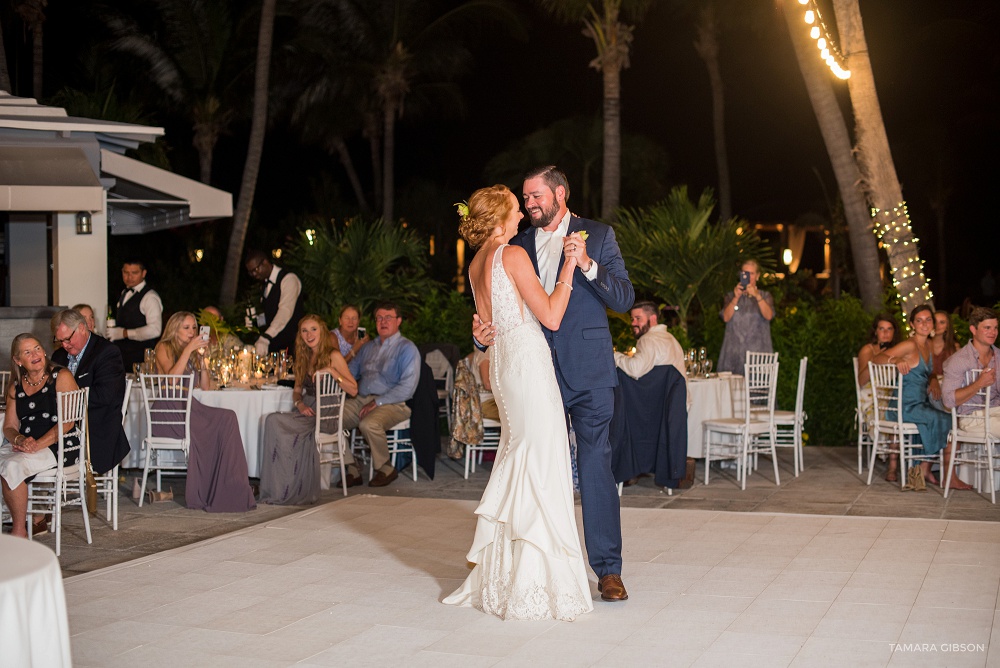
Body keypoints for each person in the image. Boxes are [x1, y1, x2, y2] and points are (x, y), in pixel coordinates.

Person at [469, 166, 635, 606]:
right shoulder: (515, 244)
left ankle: (608, 570)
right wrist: (478, 335)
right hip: (535, 373)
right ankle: (536, 564)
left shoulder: (597, 235)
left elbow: (623, 299)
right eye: (524, 199)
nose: (529, 205)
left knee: (595, 465)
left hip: (588, 372)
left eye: (536, 196)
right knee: (539, 467)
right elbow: (500, 307)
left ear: (560, 193)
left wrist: (585, 264)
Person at [444, 183, 592, 621]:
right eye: (515, 205)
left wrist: (480, 334)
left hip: (504, 367)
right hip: (527, 363)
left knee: (519, 454)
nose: (522, 211)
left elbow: (487, 327)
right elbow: (550, 315)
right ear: (500, 216)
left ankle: (505, 573)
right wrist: (568, 267)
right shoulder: (511, 254)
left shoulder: (475, 264)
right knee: (541, 459)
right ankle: (534, 578)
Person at [154, 312, 256, 512]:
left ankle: (232, 486)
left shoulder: (190, 352)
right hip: (169, 409)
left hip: (188, 406)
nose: (192, 332)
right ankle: (211, 490)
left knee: (228, 417)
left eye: (194, 327)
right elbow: (171, 381)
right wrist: (189, 350)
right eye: (186, 328)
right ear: (174, 329)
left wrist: (202, 360)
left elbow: (205, 386)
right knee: (223, 420)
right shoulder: (163, 347)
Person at [259, 315, 358, 504]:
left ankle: (291, 486)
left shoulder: (333, 356)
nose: (309, 334)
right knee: (272, 420)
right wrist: (300, 404)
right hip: (307, 410)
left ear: (321, 331)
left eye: (313, 329)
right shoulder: (303, 357)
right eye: (304, 330)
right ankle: (280, 488)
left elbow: (353, 389)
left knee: (278, 424)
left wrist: (332, 372)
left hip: (327, 413)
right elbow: (297, 391)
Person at [873, 304, 969, 489]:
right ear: (912, 324)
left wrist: (933, 379)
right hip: (904, 406)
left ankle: (922, 468)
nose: (924, 324)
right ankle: (924, 467)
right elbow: (877, 359)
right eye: (919, 320)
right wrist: (896, 359)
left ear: (932, 324)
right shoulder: (910, 344)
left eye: (928, 320)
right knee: (945, 419)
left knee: (947, 417)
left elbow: (927, 373)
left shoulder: (927, 345)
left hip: (920, 405)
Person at [1, 334, 80, 538]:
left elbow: (67, 422)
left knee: (12, 466)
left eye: (37, 348)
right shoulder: (15, 385)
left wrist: (36, 444)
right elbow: (9, 426)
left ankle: (19, 530)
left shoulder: (61, 377)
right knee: (7, 462)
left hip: (60, 443)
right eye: (27, 352)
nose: (35, 354)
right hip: (27, 444)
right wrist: (19, 440)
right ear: (18, 360)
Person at [341, 302, 420, 488]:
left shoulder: (407, 348)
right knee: (329, 419)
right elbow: (350, 373)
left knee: (369, 424)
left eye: (388, 318)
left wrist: (378, 401)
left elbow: (408, 387)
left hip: (394, 403)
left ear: (398, 321)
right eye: (379, 318)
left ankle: (385, 468)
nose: (383, 322)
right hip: (361, 399)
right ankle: (351, 467)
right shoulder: (367, 347)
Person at [50, 309, 131, 475]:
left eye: (67, 339)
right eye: (60, 341)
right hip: (60, 426)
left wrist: (66, 399)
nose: (65, 345)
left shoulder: (107, 352)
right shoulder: (58, 356)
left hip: (95, 428)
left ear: (81, 328)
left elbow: (104, 396)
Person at [614, 300, 689, 409]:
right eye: (632, 319)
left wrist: (615, 356)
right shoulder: (672, 339)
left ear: (653, 319)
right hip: (680, 404)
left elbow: (636, 369)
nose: (633, 323)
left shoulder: (648, 339)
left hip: (659, 409)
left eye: (638, 318)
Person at [942, 307, 1000, 439]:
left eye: (995, 328)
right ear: (973, 329)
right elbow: (948, 401)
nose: (993, 332)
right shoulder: (959, 360)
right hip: (972, 418)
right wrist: (979, 383)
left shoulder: (998, 356)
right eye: (987, 328)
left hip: (996, 412)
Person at [717, 259, 774, 376]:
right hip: (732, 355)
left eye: (751, 274)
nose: (748, 277)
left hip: (757, 358)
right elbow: (726, 317)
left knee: (756, 393)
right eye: (745, 273)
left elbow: (769, 315)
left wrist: (757, 296)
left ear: (757, 276)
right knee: (731, 392)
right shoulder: (731, 295)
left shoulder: (765, 296)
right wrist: (736, 298)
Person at [245, 249, 304, 356]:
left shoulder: (289, 279)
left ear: (265, 262)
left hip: (292, 345)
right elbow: (270, 315)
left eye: (256, 269)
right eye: (251, 272)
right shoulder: (265, 284)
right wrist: (256, 321)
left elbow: (285, 312)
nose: (254, 274)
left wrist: (266, 337)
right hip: (275, 346)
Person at [107, 260, 163, 369]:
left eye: (134, 273)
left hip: (141, 360)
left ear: (143, 273)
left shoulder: (150, 297)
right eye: (126, 272)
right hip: (123, 358)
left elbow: (155, 330)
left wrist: (125, 333)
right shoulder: (124, 293)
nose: (129, 277)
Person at [857, 313, 901, 388]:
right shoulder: (868, 350)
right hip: (871, 395)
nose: (885, 333)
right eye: (881, 329)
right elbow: (861, 382)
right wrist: (874, 361)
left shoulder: (897, 349)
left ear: (894, 332)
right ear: (875, 331)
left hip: (893, 394)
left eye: (889, 329)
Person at [929, 311, 960, 408]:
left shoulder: (954, 347)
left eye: (942, 322)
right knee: (932, 394)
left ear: (947, 326)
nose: (937, 325)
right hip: (928, 384)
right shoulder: (923, 345)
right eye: (935, 321)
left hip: (948, 385)